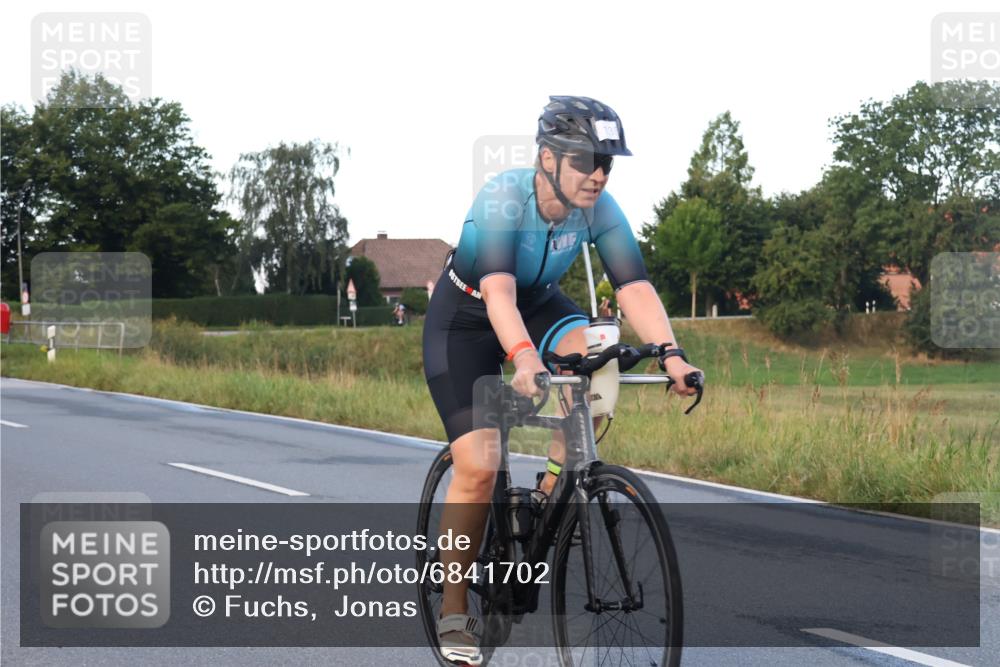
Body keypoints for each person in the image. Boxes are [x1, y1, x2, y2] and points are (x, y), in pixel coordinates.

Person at [421, 95, 702, 665]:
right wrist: (524, 359)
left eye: (606, 163)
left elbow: (634, 289)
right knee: (479, 465)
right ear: (547, 158)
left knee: (600, 368)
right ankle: (454, 609)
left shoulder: (599, 206)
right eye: (584, 161)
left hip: (542, 304)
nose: (597, 175)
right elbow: (499, 293)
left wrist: (672, 356)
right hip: (470, 317)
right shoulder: (504, 198)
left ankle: (553, 495)